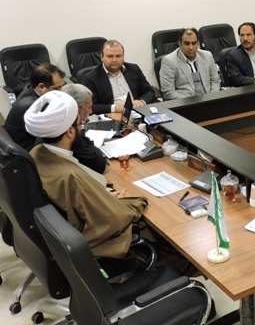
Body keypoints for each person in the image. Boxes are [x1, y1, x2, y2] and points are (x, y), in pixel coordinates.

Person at [24, 91, 148, 259]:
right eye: (79, 124)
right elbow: (112, 219)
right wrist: (134, 202)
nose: (82, 128)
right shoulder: (69, 177)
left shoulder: (37, 151)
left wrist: (101, 197)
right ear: (69, 132)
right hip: (86, 244)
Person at [82, 40, 155, 115]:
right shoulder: (91, 77)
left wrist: (141, 101)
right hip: (112, 115)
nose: (114, 60)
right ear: (102, 57)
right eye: (110, 56)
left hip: (137, 112)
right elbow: (90, 107)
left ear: (123, 56)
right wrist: (115, 108)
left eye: (118, 56)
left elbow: (149, 91)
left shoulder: (133, 69)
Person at [4, 63, 66, 151]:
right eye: (56, 88)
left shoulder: (31, 89)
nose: (61, 92)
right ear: (41, 87)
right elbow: (54, 133)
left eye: (62, 86)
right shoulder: (33, 107)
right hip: (28, 150)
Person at [159, 28, 221, 99]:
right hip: (185, 102)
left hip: (209, 99)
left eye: (194, 43)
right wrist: (191, 101)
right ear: (180, 43)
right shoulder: (169, 61)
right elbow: (168, 92)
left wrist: (212, 98)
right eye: (187, 43)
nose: (191, 47)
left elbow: (215, 81)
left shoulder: (207, 56)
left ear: (197, 43)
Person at [61, 83, 107, 174]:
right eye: (89, 107)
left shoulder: (62, 121)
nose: (91, 111)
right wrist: (96, 151)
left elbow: (87, 142)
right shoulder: (68, 132)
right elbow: (98, 164)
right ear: (77, 108)